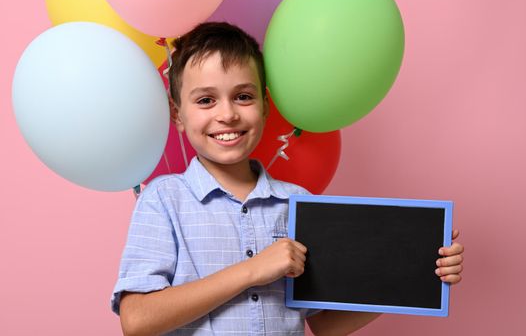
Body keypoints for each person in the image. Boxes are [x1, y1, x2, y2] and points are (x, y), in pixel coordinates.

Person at [111, 22, 464, 336]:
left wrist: (414, 274)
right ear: (178, 115)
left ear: (264, 106)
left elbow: (325, 324)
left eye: (243, 97)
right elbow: (137, 320)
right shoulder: (164, 199)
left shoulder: (298, 202)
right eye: (206, 100)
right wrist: (253, 270)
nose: (228, 114)